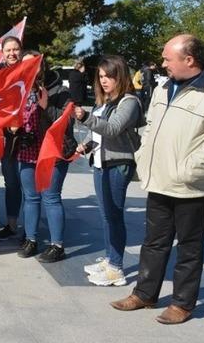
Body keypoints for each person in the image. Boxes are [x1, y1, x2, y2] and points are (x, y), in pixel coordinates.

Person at [110, 35, 204, 324]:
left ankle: (182, 303)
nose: (163, 63)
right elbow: (151, 127)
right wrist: (143, 156)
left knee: (189, 247)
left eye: (168, 58)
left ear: (189, 59)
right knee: (154, 242)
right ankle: (145, 293)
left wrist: (188, 170)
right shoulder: (163, 87)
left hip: (191, 186)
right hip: (159, 179)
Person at [74, 55, 143, 286]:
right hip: (100, 163)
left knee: (114, 216)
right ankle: (110, 258)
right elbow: (98, 132)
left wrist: (86, 117)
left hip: (118, 164)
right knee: (106, 216)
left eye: (109, 76)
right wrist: (87, 144)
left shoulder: (129, 102)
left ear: (120, 76)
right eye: (101, 76)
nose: (104, 81)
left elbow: (113, 129)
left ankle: (116, 268)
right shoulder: (105, 100)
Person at [14, 61, 76, 262]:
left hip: (53, 150)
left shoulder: (60, 91)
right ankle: (30, 239)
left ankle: (57, 245)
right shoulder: (20, 90)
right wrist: (12, 128)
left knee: (51, 197)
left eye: (34, 66)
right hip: (28, 149)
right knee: (30, 197)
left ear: (43, 67)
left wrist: (47, 106)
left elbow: (67, 120)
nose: (30, 71)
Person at [0, 36, 24, 241]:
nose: (12, 53)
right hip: (7, 139)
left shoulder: (30, 71)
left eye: (15, 49)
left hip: (29, 138)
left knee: (28, 186)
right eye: (8, 50)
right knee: (11, 183)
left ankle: (31, 231)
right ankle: (12, 225)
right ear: (2, 53)